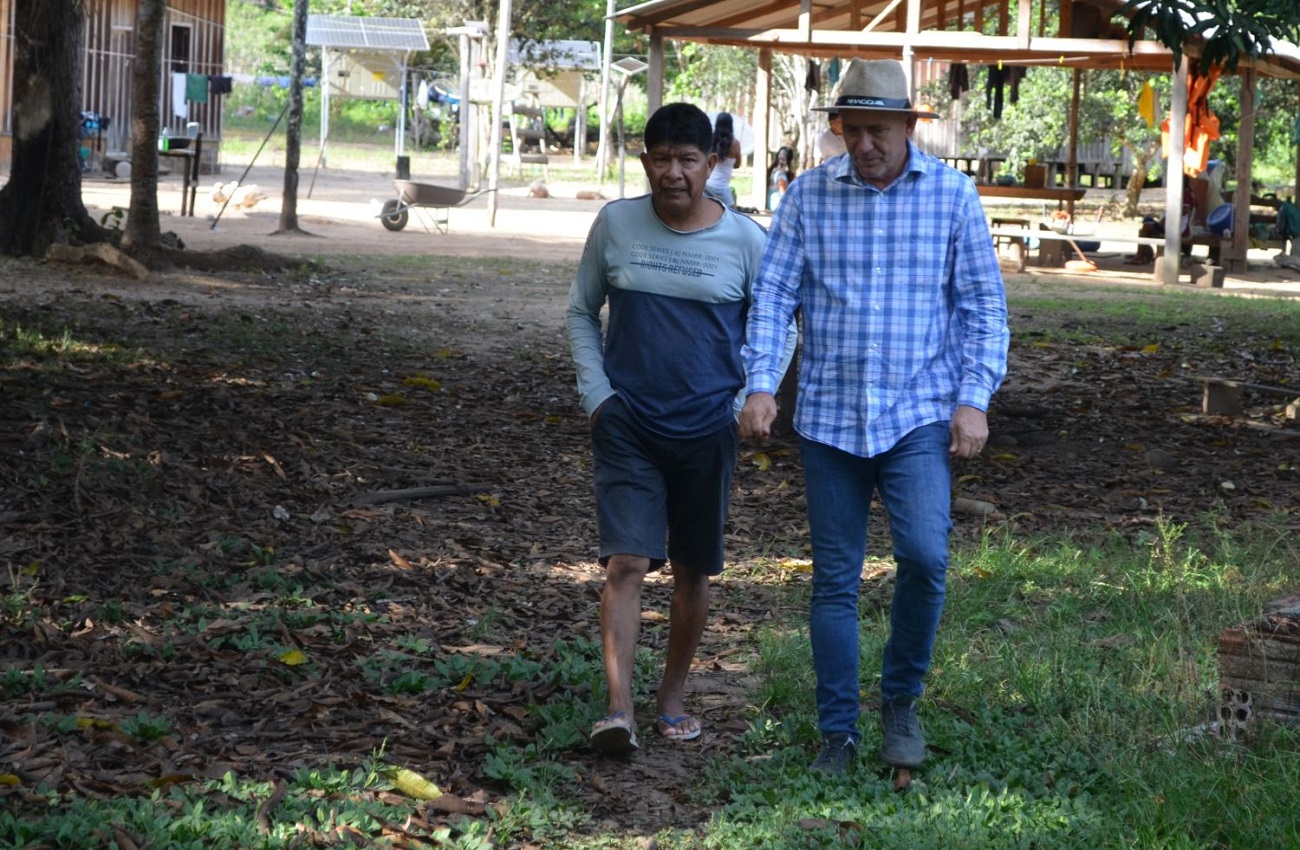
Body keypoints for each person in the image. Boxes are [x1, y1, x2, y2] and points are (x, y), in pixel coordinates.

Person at [740, 58, 1010, 775]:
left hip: (918, 414)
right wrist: (761, 384)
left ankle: (900, 702)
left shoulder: (953, 197)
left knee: (925, 556)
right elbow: (773, 297)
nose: (864, 144)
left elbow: (985, 308)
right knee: (836, 577)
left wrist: (972, 399)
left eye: (878, 130)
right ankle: (838, 732)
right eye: (852, 130)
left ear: (907, 128)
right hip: (829, 417)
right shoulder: (806, 197)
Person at [568, 102, 794, 756]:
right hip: (627, 423)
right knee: (626, 562)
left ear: (712, 164)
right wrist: (598, 397)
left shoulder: (747, 241)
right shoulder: (615, 225)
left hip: (707, 429)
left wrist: (756, 394)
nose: (673, 173)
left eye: (687, 160)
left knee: (692, 569)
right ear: (645, 162)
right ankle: (618, 710)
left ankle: (670, 698)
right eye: (661, 159)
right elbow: (582, 311)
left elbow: (779, 324)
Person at [704, 112, 742, 206]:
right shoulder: (735, 143)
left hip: (707, 185)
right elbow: (737, 165)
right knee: (733, 216)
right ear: (730, 125)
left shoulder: (710, 140)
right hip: (722, 187)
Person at [767, 146, 796, 211]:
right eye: (781, 159)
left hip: (771, 204)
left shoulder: (773, 170)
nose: (781, 162)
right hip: (778, 206)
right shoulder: (781, 173)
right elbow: (783, 192)